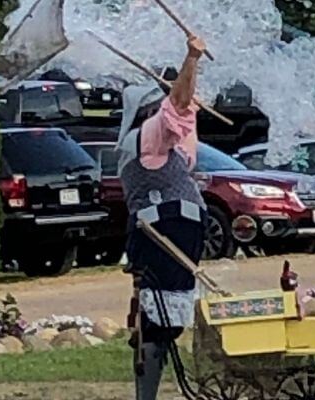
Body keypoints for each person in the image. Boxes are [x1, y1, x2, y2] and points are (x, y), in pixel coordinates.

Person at [116, 35, 207, 400]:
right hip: (163, 236)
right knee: (157, 321)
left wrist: (190, 80)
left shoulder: (148, 143)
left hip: (166, 234)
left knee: (162, 318)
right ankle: (147, 395)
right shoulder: (149, 136)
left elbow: (185, 112)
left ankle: (148, 390)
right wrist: (191, 58)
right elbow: (179, 107)